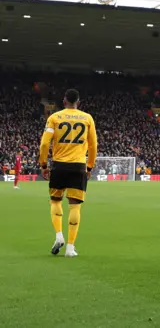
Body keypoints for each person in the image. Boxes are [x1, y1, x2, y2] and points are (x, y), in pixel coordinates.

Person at [39, 89, 98, 258]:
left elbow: (44, 144)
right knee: (75, 205)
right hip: (78, 166)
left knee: (55, 201)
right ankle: (70, 248)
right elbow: (93, 146)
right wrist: (89, 167)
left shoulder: (54, 118)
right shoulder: (87, 118)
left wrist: (44, 165)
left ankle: (59, 236)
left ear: (64, 101)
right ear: (78, 102)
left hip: (59, 166)